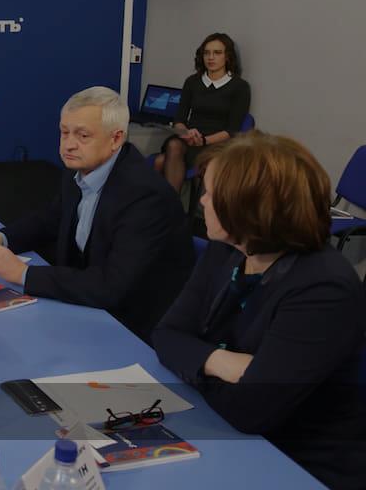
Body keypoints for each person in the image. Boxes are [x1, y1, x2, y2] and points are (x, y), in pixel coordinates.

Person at [153, 132, 366, 489]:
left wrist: (197, 360)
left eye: (210, 193)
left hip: (300, 464)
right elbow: (166, 335)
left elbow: (249, 411)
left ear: (248, 207)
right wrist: (223, 362)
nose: (201, 200)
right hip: (226, 432)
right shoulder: (230, 248)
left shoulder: (324, 288)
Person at [0, 87, 194, 341]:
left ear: (116, 139)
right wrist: (1, 239)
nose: (69, 145)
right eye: (64, 132)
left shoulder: (146, 197)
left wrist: (23, 273)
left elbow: (112, 286)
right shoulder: (81, 168)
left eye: (83, 135)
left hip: (136, 327)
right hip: (88, 304)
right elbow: (49, 219)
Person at [154, 32, 251, 191]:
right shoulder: (192, 82)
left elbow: (232, 130)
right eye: (207, 53)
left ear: (227, 56)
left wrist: (204, 141)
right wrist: (186, 133)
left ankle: (173, 205)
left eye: (217, 53)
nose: (211, 58)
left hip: (217, 143)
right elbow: (179, 118)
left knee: (161, 161)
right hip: (190, 138)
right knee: (173, 145)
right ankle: (171, 204)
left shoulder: (240, 87)